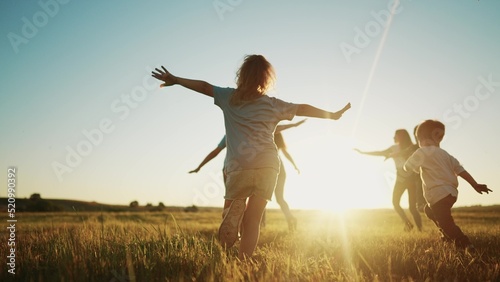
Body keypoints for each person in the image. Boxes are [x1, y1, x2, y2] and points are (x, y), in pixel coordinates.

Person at [152, 54, 351, 259]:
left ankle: (232, 219)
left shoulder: (229, 97)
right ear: (265, 80)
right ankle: (243, 261)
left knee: (229, 211)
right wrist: (331, 114)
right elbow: (302, 108)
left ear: (242, 75)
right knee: (254, 220)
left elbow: (204, 86)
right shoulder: (273, 104)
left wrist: (176, 79)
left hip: (239, 166)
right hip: (268, 166)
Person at [189, 120, 306, 231]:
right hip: (269, 169)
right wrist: (294, 125)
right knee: (266, 199)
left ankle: (243, 228)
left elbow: (216, 151)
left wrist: (199, 167)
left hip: (252, 170)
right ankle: (261, 224)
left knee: (241, 200)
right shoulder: (259, 133)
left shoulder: (243, 133)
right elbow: (280, 134)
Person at [404, 120, 491, 250]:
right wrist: (475, 184)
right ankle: (447, 235)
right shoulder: (446, 154)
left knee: (445, 221)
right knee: (429, 210)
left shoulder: (421, 152)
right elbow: (461, 171)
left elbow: (407, 167)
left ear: (420, 138)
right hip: (451, 193)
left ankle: (465, 243)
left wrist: (411, 167)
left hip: (438, 194)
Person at [355, 129, 422, 231]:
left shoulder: (408, 148)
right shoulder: (408, 147)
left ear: (401, 136)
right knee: (410, 207)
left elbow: (380, 153)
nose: (393, 137)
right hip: (409, 178)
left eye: (396, 135)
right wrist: (363, 152)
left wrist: (363, 152)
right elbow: (380, 153)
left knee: (401, 204)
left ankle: (413, 227)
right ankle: (415, 227)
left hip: (405, 178)